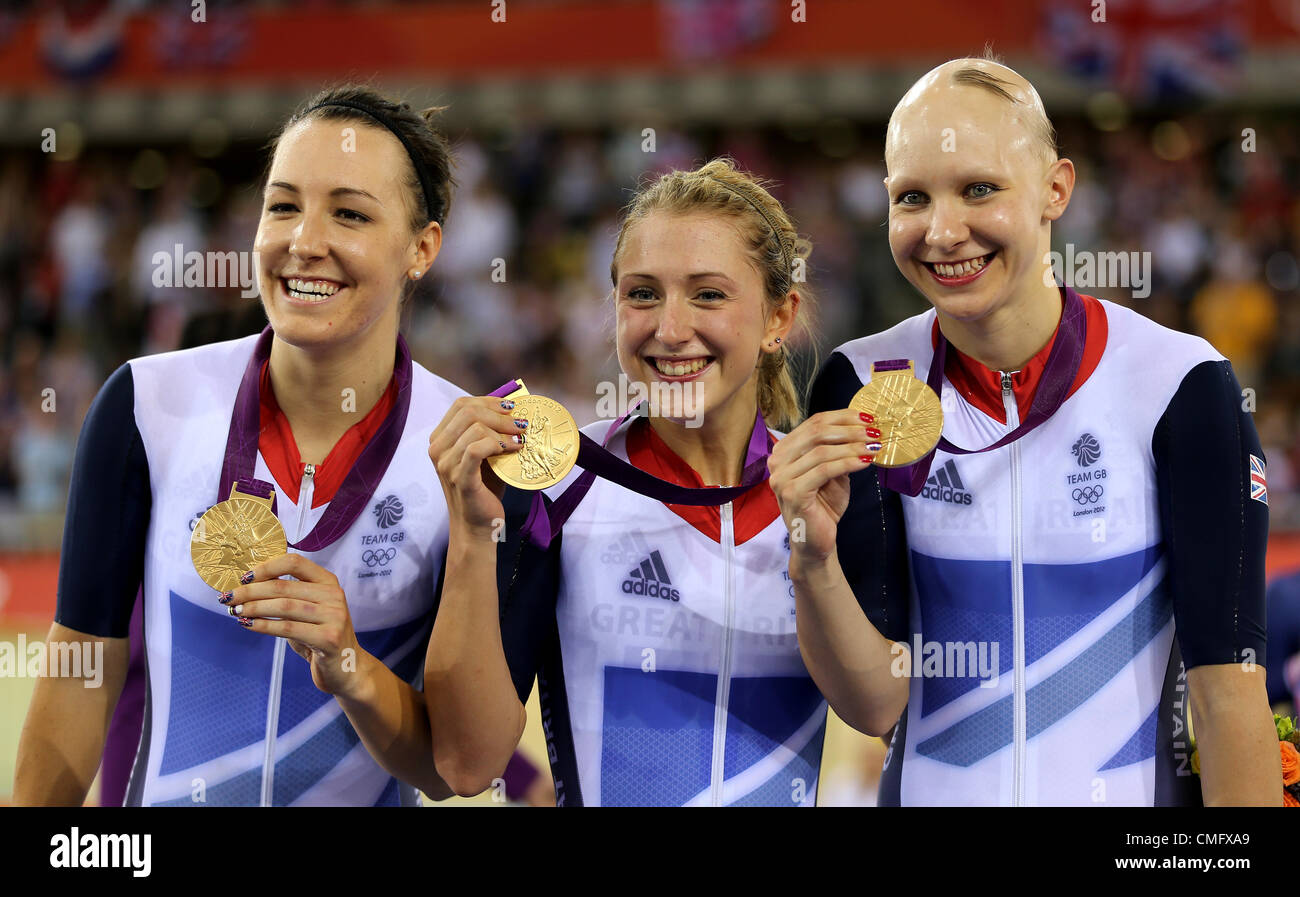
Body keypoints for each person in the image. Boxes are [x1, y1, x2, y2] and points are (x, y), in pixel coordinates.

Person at [777, 56, 1278, 805]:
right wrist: (811, 562)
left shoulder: (1178, 385)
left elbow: (1229, 698)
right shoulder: (861, 384)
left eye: (978, 188)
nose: (943, 231)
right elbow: (875, 705)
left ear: (1055, 189)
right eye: (912, 198)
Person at [15, 85, 464, 806]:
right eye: (283, 205)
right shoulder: (145, 403)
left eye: (348, 213)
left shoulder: (460, 448)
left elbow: (452, 769)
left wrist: (351, 665)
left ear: (422, 247)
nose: (303, 240)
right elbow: (77, 673)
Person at [424, 159, 908, 806]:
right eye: (643, 293)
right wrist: (470, 532)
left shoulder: (827, 486)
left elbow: (879, 711)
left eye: (708, 294)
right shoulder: (557, 486)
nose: (670, 329)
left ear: (777, 318)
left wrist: (814, 561)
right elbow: (465, 765)